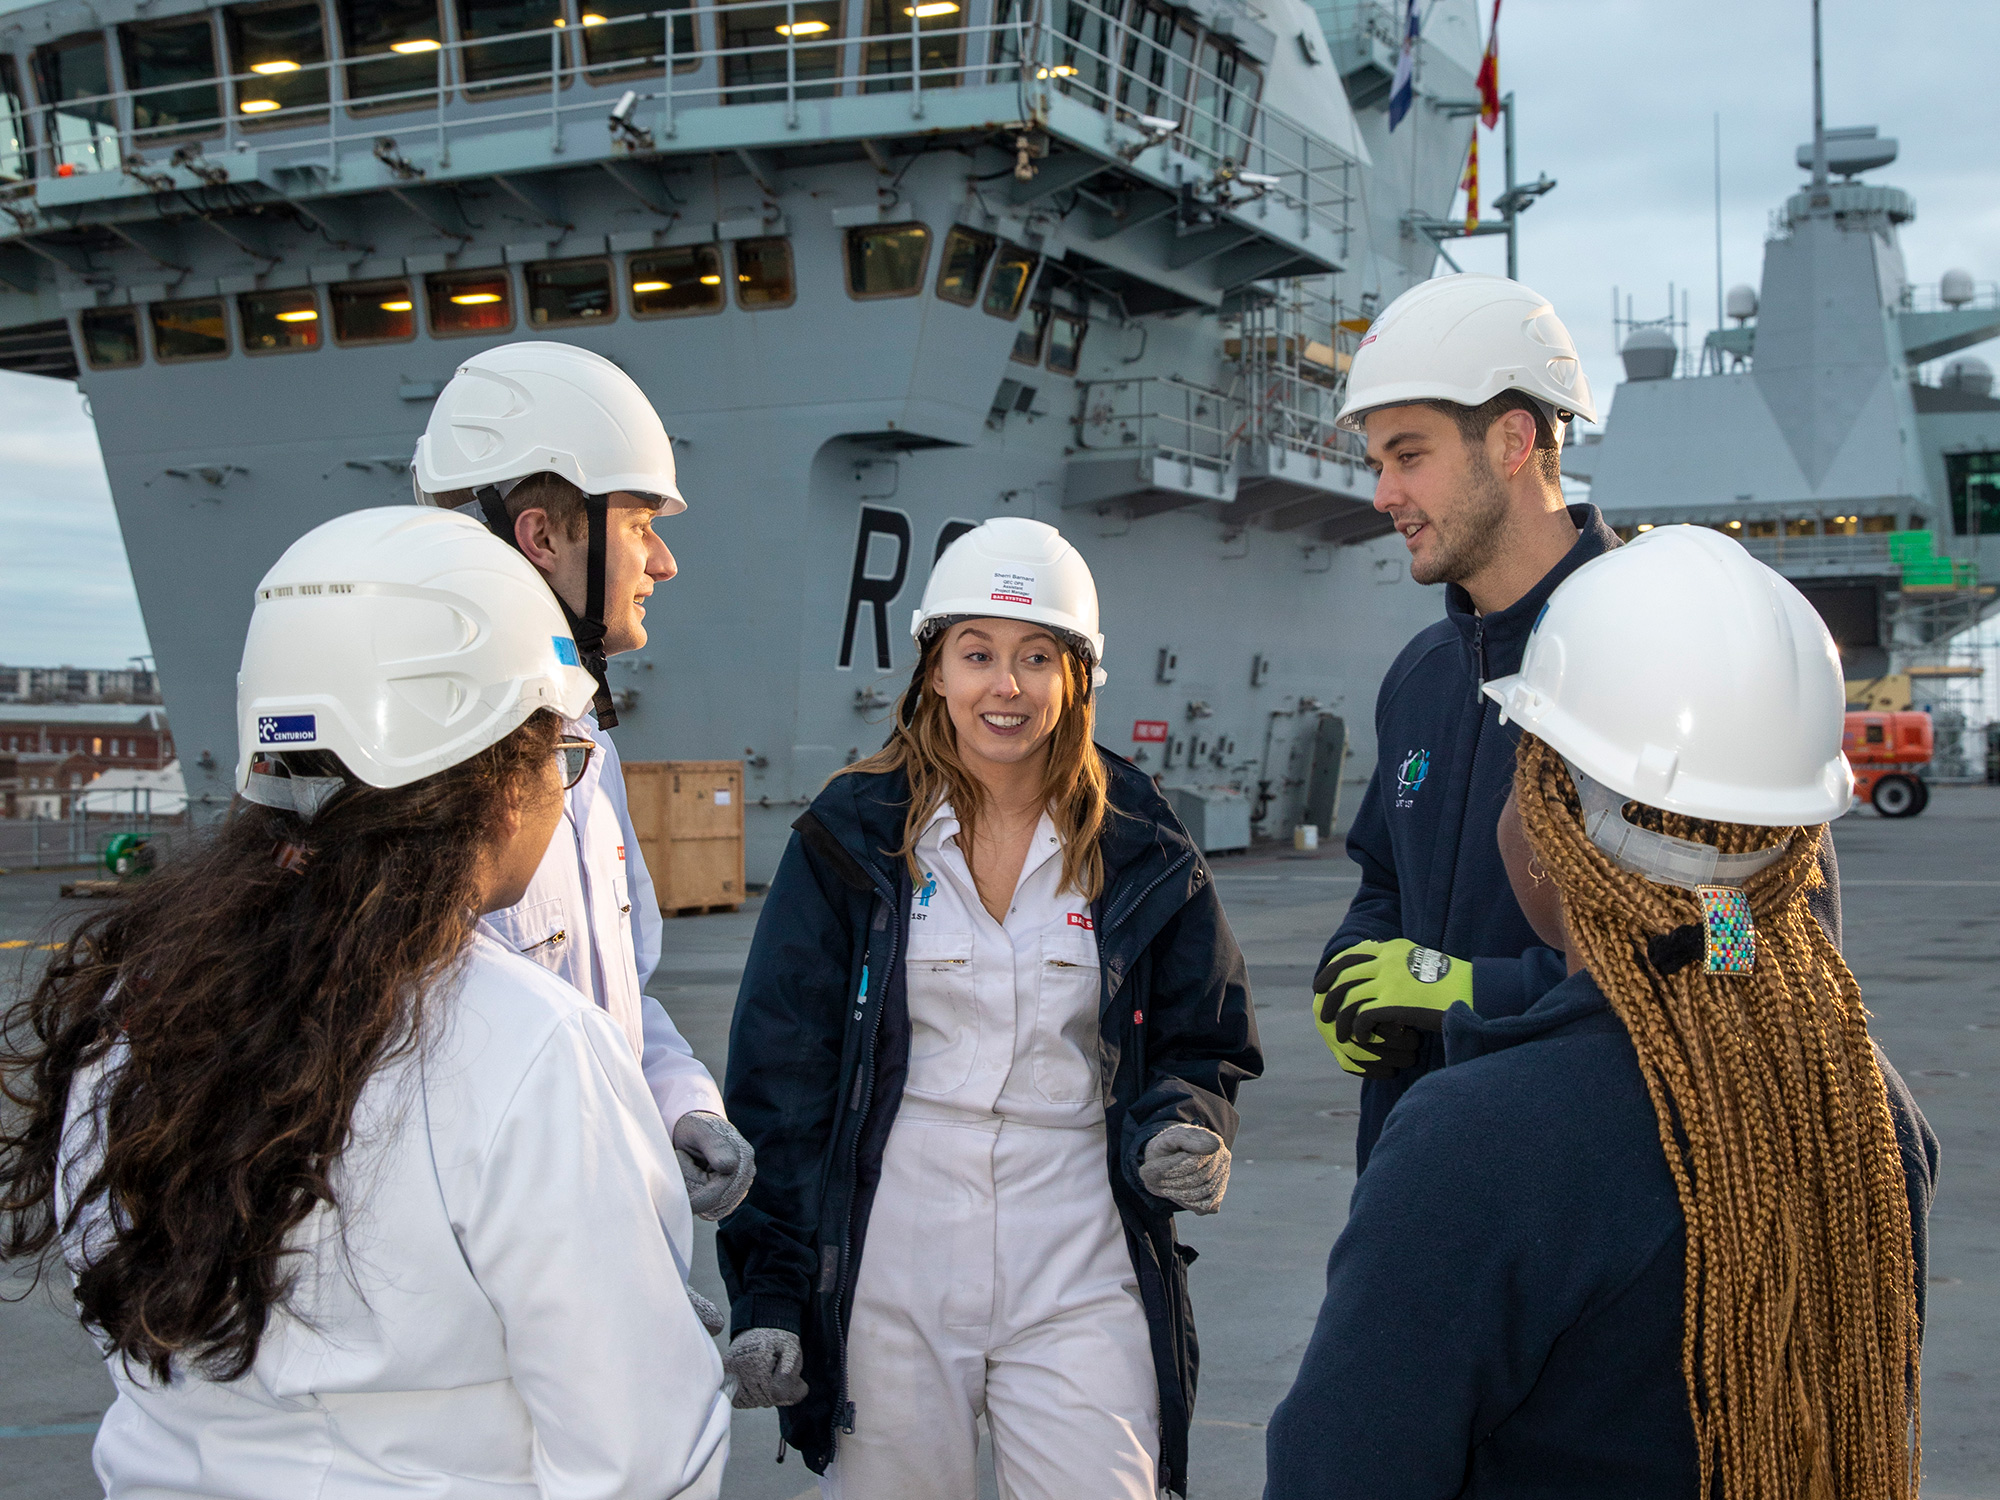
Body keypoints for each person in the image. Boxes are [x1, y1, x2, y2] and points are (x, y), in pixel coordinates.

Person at [0, 507, 730, 1498]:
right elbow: (642, 1449)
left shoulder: (132, 1013)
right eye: (560, 757)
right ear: (499, 781)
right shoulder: (530, 1045)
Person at [1266, 526, 1935, 1500]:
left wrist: (1476, 991)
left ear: (1547, 828)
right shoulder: (1866, 1112)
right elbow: (1721, 936)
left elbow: (1341, 1470)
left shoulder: (1473, 1148)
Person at [716, 518, 1262, 1499]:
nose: (1003, 687)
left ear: (1074, 679)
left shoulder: (1141, 841)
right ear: (934, 671)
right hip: (896, 1248)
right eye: (977, 655)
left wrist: (1185, 1123)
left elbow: (1200, 1034)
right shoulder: (849, 837)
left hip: (1077, 1245)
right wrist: (770, 1290)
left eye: (1034, 657)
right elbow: (780, 1081)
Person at [1309, 274, 1842, 1171]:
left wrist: (1476, 990)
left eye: (1408, 455)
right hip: (1424, 1176)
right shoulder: (1424, 677)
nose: (1381, 494)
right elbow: (1384, 880)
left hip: (1604, 1193)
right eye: (1377, 463)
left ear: (1514, 440)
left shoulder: (1680, 649)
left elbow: (1752, 941)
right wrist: (1355, 962)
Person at [413, 341, 753, 1220]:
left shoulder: (579, 747)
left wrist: (681, 1105)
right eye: (641, 524)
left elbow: (612, 1001)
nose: (663, 562)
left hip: (600, 1228)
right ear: (541, 536)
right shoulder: (421, 774)